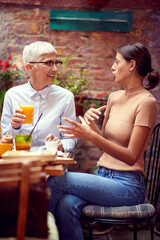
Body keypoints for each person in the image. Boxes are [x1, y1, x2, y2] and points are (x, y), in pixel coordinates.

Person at [47, 42, 160, 240]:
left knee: (56, 181)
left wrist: (91, 136)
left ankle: (37, 235)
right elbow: (105, 145)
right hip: (104, 177)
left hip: (127, 186)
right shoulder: (114, 97)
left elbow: (131, 156)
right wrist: (92, 127)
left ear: (132, 65)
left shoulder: (146, 102)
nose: (112, 67)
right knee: (66, 205)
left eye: (117, 62)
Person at [1, 41, 77, 152]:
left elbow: (70, 139)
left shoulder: (65, 97)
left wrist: (61, 145)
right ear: (30, 67)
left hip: (51, 161)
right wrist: (14, 127)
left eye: (56, 63)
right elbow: (5, 138)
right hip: (21, 160)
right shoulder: (12, 95)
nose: (55, 68)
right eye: (49, 63)